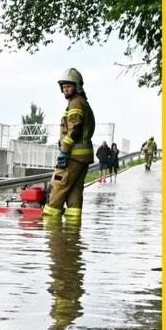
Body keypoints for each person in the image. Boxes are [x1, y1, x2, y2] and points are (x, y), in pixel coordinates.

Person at [44, 68, 96, 221]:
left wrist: (64, 150)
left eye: (69, 86)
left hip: (73, 156)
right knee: (74, 193)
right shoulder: (83, 103)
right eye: (64, 86)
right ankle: (73, 235)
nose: (65, 89)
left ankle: (51, 230)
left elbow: (75, 129)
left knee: (58, 189)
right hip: (84, 157)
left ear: (77, 86)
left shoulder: (75, 103)